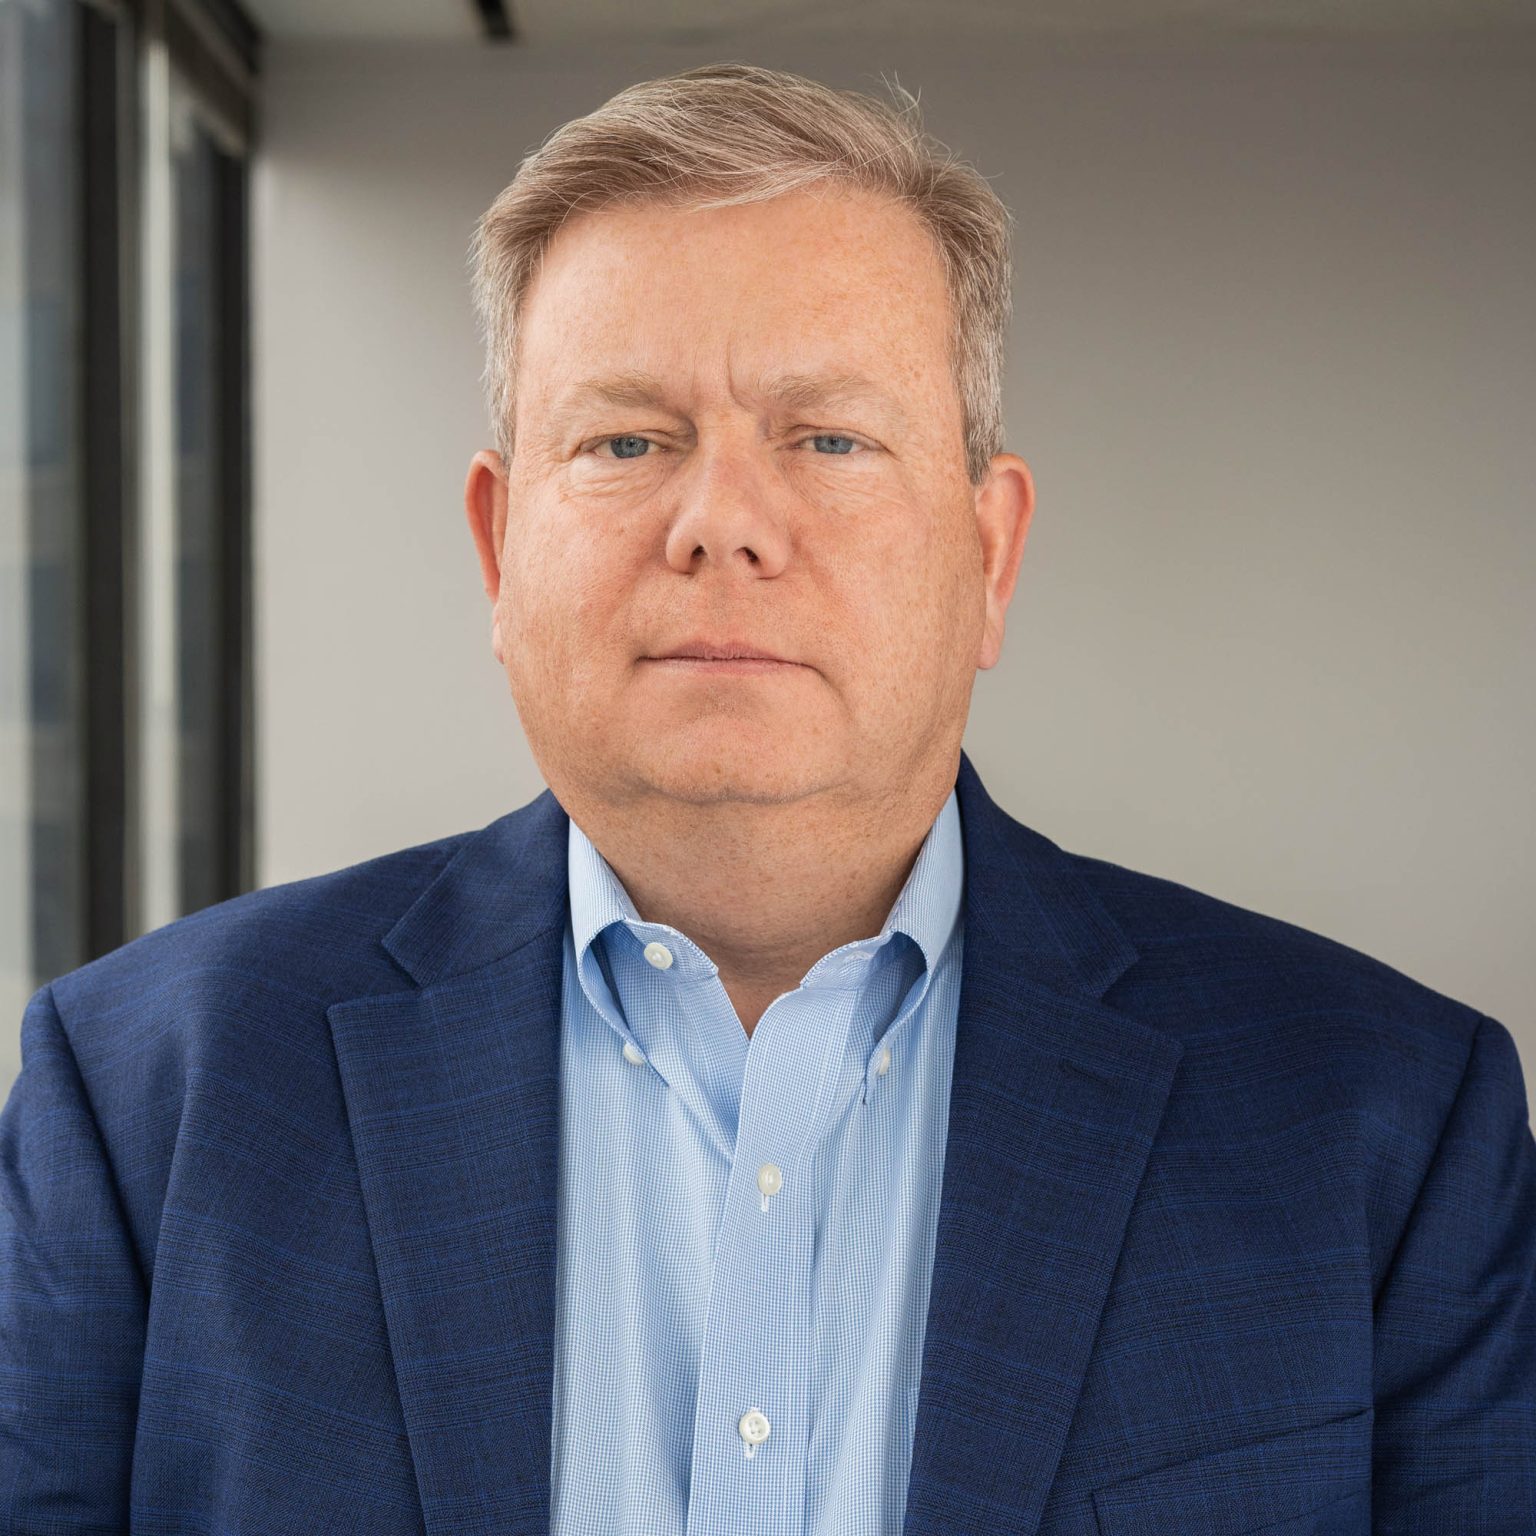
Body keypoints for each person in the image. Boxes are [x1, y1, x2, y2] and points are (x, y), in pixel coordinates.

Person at [1, 61, 1531, 1536]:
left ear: (989, 558)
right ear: (494, 546)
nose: (723, 523)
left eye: (830, 439)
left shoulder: (1379, 1125)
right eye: (625, 441)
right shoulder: (149, 1098)